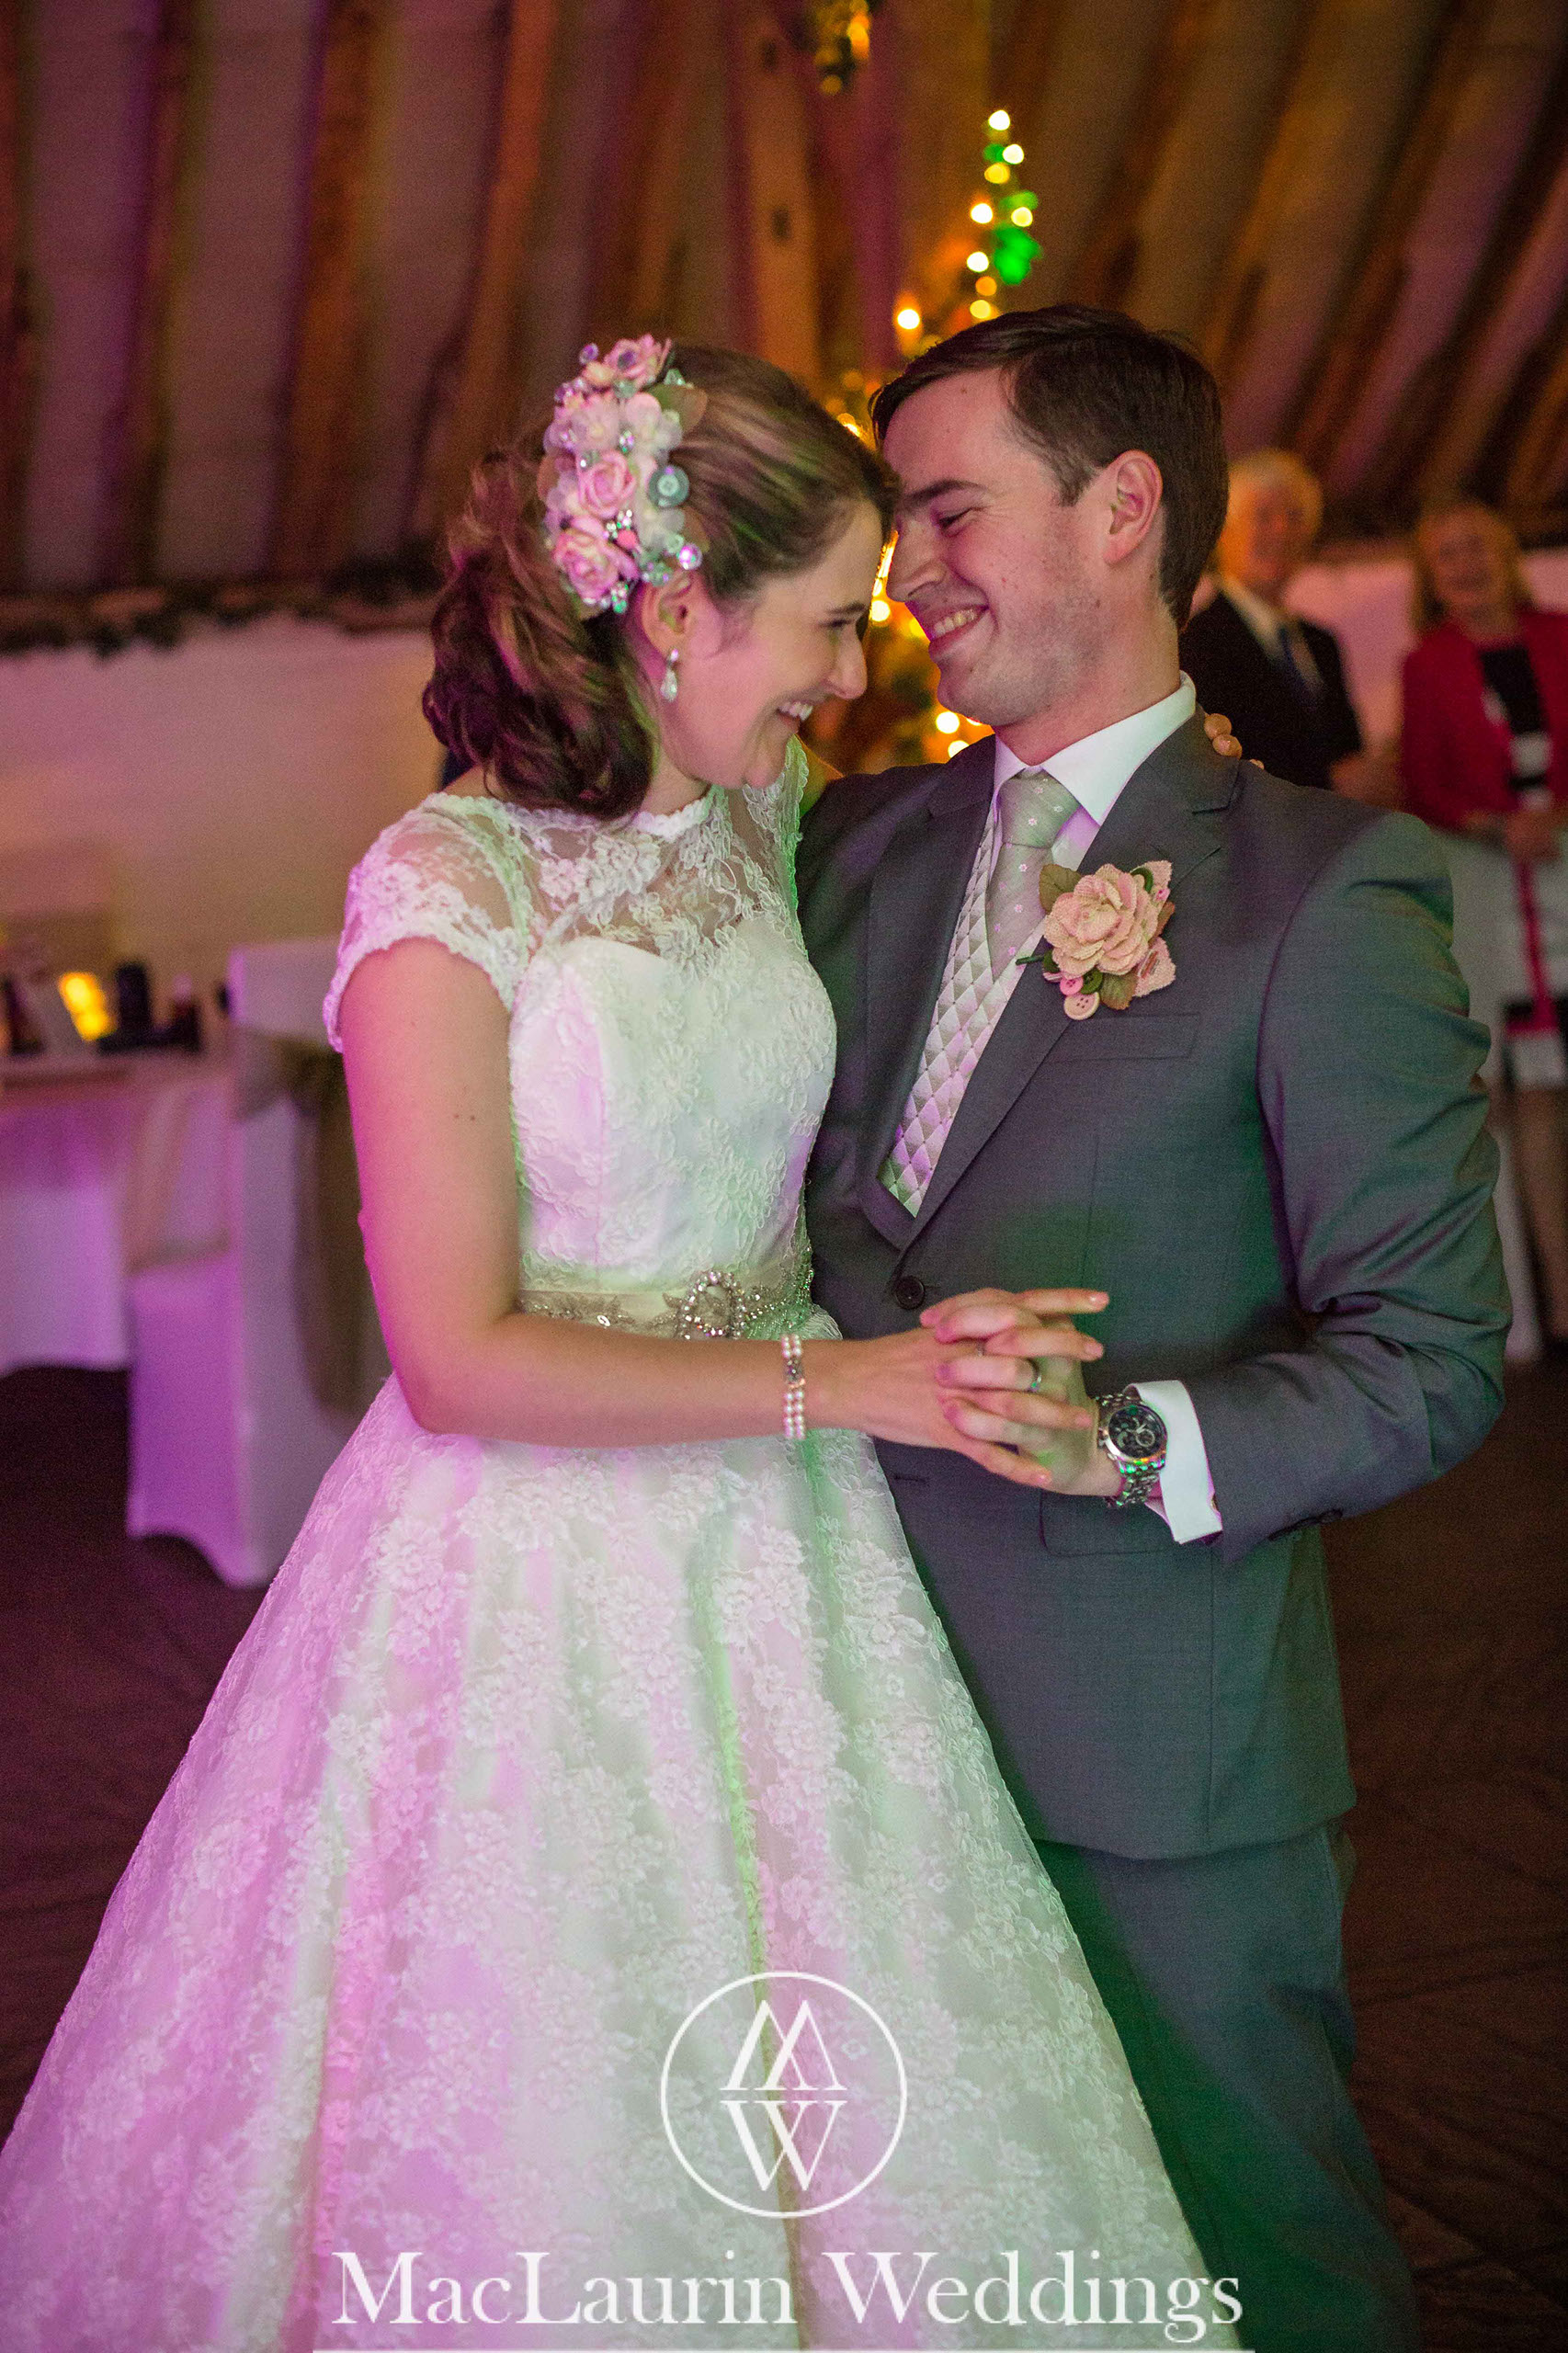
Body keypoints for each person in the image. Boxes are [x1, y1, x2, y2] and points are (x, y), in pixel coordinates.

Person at [0, 341, 1244, 2351]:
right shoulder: (440, 888)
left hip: (789, 1558)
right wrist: (836, 1380)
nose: (851, 669)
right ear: (674, 607)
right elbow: (455, 1356)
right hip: (526, 1571)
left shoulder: (767, 823)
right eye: (827, 621)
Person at [798, 305, 1509, 2353]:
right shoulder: (850, 851)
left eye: (947, 512)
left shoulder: (1322, 891)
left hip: (1150, 1744)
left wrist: (1122, 1439)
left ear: (1122, 513)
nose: (906, 571)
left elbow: (1427, 1353)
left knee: (1258, 2254)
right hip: (841, 1715)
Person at [1402, 494, 1568, 1346]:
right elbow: (1424, 783)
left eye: (1476, 547)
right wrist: (1502, 825)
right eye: (1446, 555)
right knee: (1527, 1092)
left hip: (1565, 877)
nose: (1465, 565)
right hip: (1498, 904)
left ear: (1506, 554)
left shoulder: (1559, 638)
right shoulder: (1426, 666)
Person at [1180, 449, 1371, 796]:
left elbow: (1349, 751)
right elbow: (1214, 768)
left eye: (1295, 517)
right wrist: (1327, 781)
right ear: (1224, 531)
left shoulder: (1321, 644)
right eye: (1263, 516)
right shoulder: (1196, 644)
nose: (1282, 531)